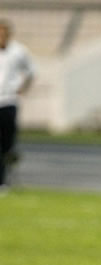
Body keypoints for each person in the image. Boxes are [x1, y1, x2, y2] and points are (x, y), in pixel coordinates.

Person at [0, 19, 35, 192]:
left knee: (7, 143)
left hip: (8, 101)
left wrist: (22, 89)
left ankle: (6, 176)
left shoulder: (18, 51)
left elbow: (31, 72)